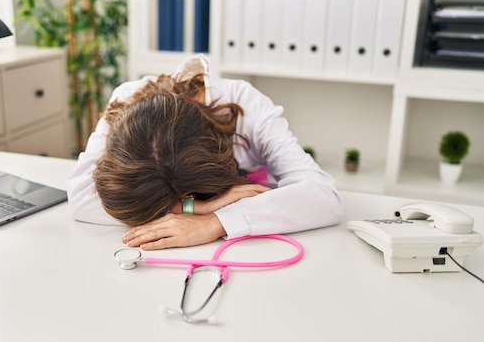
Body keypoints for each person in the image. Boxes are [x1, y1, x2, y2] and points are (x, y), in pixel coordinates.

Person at [66, 55, 343, 250]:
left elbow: (324, 197)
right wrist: (195, 208)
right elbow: (80, 198)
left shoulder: (247, 104)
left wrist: (217, 223)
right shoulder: (126, 103)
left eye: (185, 196)